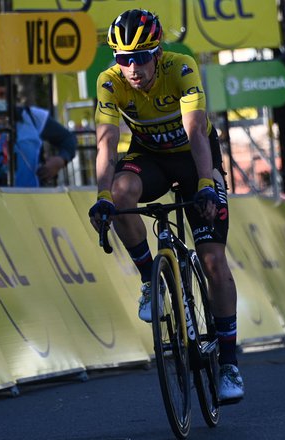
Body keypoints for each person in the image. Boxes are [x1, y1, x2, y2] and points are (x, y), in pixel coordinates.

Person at [87, 9, 243, 403]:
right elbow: (106, 140)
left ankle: (229, 363)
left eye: (142, 57)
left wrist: (207, 182)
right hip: (151, 156)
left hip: (195, 157)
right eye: (124, 59)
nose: (133, 68)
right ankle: (149, 281)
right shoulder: (110, 82)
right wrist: (103, 196)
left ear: (158, 53)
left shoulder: (182, 68)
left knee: (212, 261)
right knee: (121, 194)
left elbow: (195, 131)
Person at [0, 75, 77, 187]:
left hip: (31, 196)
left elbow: (68, 139)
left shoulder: (34, 117)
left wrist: (60, 160)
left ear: (11, 95)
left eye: (2, 94)